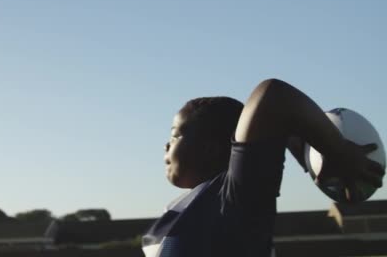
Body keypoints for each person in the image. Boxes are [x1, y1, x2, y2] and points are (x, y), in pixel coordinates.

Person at [142, 78, 384, 257]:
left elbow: (274, 95)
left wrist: (337, 151)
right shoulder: (190, 206)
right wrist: (296, 141)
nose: (166, 145)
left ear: (209, 148)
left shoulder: (236, 198)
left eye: (175, 136)